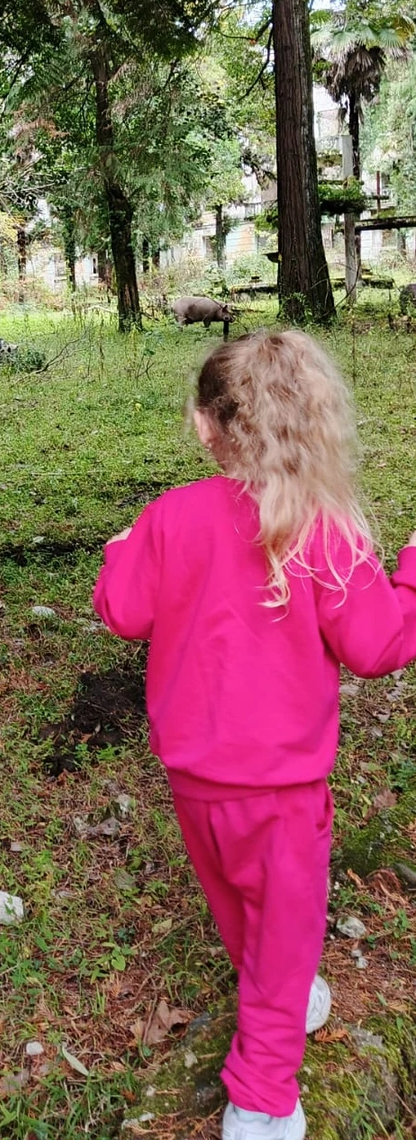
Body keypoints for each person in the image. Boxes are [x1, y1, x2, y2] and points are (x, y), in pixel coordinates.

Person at [93, 329, 416, 1140]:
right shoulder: (324, 528)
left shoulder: (169, 518)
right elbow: (379, 646)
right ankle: (263, 1103)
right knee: (283, 920)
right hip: (283, 792)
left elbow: (122, 612)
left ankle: (284, 992)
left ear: (206, 426)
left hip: (195, 785)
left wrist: (119, 552)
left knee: (243, 907)